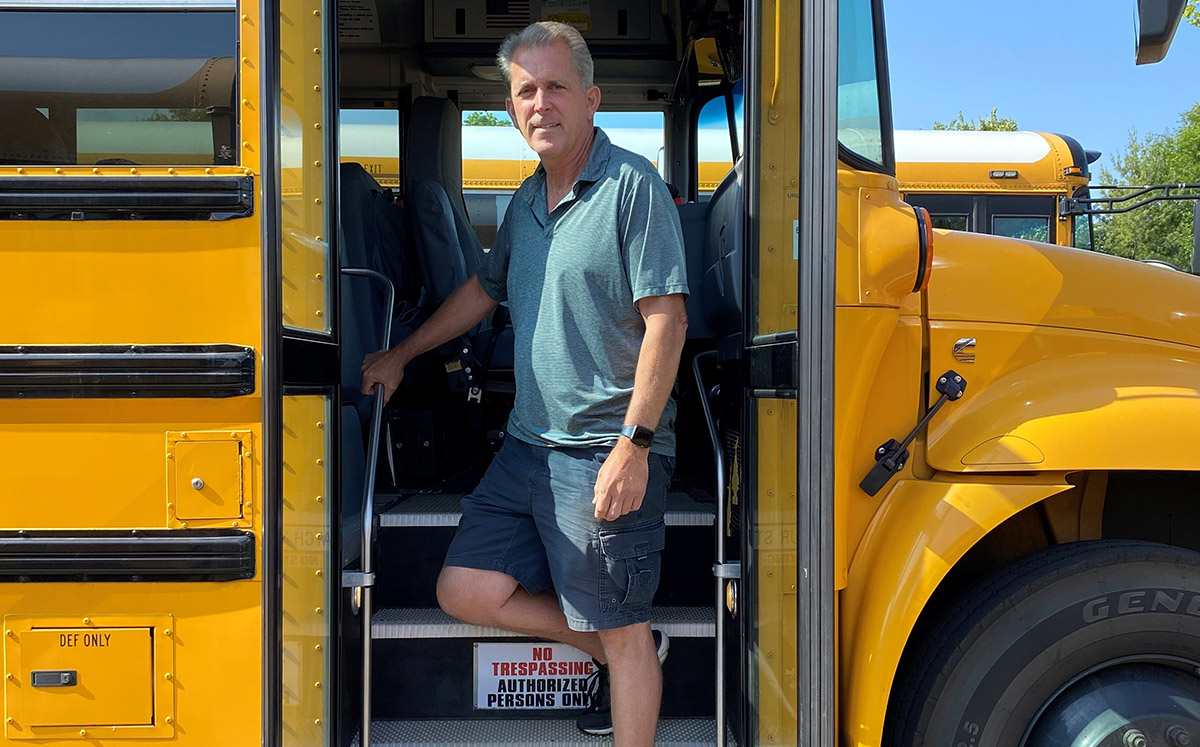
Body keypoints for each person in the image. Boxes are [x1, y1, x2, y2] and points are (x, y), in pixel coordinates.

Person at [360, 20, 688, 745]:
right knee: (463, 589)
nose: (542, 103)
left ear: (592, 98)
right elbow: (484, 289)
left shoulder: (631, 187)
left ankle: (623, 652)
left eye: (556, 87)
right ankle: (611, 647)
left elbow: (667, 320)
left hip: (603, 447)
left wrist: (634, 445)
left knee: (623, 627)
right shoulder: (525, 201)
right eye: (526, 91)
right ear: (511, 109)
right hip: (526, 450)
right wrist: (403, 353)